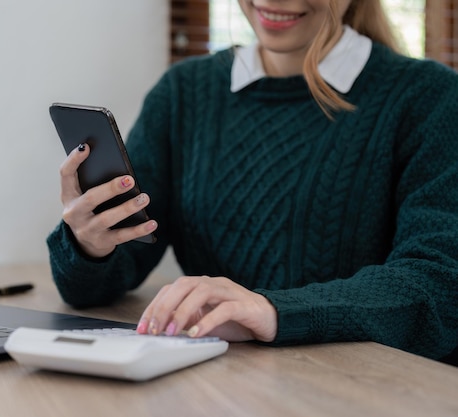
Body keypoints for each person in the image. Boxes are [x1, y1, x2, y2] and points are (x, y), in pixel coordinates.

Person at [47, 0, 458, 362]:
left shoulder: (429, 98)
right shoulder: (184, 93)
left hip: (368, 390)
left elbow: (441, 282)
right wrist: (89, 246)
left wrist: (273, 310)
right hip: (221, 380)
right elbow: (97, 284)